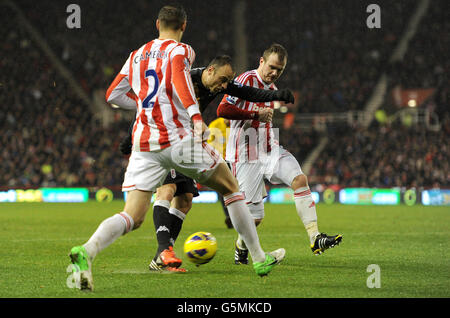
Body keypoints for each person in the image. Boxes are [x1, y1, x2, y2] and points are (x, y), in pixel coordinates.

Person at [68, 4, 285, 291]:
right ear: (183, 26)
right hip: (176, 136)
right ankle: (258, 258)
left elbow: (113, 95)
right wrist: (195, 117)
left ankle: (88, 250)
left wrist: (144, 108)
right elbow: (179, 80)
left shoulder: (135, 56)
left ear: (157, 23)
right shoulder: (181, 51)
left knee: (133, 215)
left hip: (144, 142)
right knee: (231, 187)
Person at [119, 55, 294, 273]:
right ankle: (164, 251)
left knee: (184, 201)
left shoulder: (218, 84)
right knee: (167, 191)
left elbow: (247, 92)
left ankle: (161, 257)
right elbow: (149, 107)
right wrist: (130, 138)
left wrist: (275, 94)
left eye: (227, 82)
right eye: (222, 80)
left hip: (186, 143)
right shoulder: (182, 79)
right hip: (164, 139)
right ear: (210, 70)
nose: (223, 86)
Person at [217, 43, 343, 265]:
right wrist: (256, 113)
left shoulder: (272, 89)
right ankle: (240, 246)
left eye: (280, 70)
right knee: (254, 218)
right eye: (272, 67)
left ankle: (315, 238)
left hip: (269, 148)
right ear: (261, 62)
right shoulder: (246, 80)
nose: (274, 73)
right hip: (246, 152)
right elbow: (223, 110)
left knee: (299, 179)